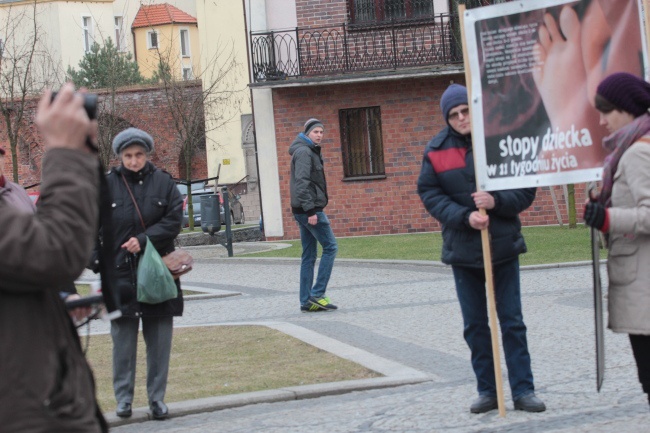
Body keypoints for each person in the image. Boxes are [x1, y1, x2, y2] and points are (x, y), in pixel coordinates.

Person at [417, 84, 546, 414]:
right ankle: (488, 391)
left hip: (503, 246)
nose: (461, 118)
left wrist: (496, 201)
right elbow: (430, 195)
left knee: (512, 322)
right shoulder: (435, 150)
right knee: (475, 326)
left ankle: (523, 390)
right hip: (463, 251)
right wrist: (464, 216)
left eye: (465, 111)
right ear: (447, 119)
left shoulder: (501, 142)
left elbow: (526, 189)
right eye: (454, 115)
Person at [0, 83, 107, 432]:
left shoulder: (10, 193)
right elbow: (56, 251)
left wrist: (59, 299)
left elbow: (23, 263)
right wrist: (65, 152)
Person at [94, 127, 183, 419]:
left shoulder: (164, 183)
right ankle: (124, 400)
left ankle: (157, 399)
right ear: (120, 157)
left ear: (147, 154)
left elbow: (173, 221)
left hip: (158, 274)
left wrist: (144, 240)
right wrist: (97, 263)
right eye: (128, 156)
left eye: (139, 155)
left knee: (159, 343)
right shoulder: (105, 186)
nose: (134, 161)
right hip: (119, 277)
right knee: (122, 345)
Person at [583, 72, 650, 408]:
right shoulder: (634, 147)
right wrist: (604, 206)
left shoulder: (637, 152)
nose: (601, 119)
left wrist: (608, 218)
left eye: (606, 110)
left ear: (626, 109)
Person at [289, 118, 339, 312]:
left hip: (304, 210)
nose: (319, 135)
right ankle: (317, 294)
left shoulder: (309, 150)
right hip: (309, 211)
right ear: (307, 133)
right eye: (315, 131)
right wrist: (310, 211)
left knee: (309, 255)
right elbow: (302, 183)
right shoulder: (304, 152)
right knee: (330, 247)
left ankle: (306, 301)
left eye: (321, 132)